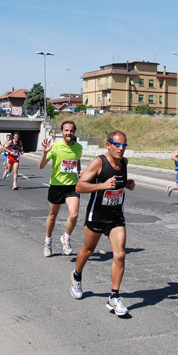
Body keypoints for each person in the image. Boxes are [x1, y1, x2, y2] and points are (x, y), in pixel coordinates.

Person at [70, 131, 135, 317]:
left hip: (116, 216)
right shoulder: (99, 162)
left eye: (124, 145)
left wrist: (127, 184)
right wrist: (102, 186)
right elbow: (80, 186)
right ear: (108, 145)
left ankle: (114, 297)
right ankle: (76, 275)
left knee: (120, 254)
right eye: (117, 145)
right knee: (88, 250)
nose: (121, 149)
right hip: (97, 215)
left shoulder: (124, 163)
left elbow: (118, 184)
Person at [38, 121, 82, 257]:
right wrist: (45, 153)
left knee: (74, 215)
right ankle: (48, 241)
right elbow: (41, 166)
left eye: (71, 131)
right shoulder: (55, 147)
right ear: (62, 132)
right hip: (56, 186)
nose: (69, 133)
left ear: (74, 132)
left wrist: (80, 172)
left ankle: (66, 238)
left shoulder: (78, 148)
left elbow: (77, 160)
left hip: (72, 186)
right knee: (52, 216)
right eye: (66, 130)